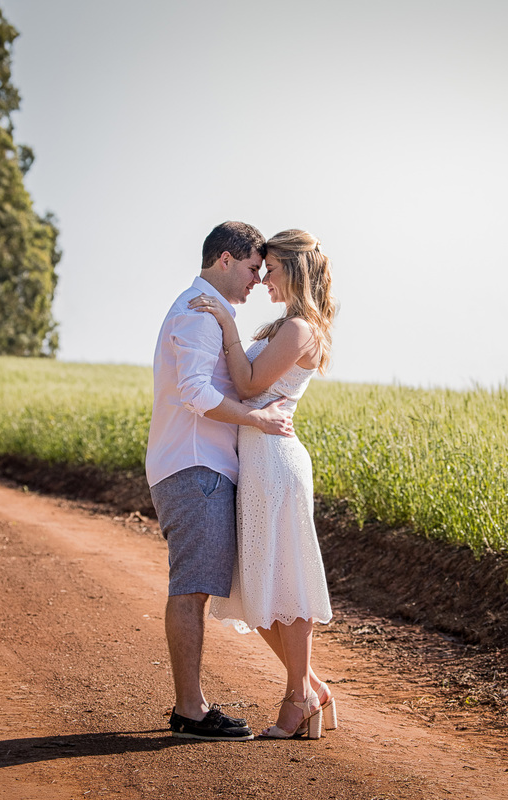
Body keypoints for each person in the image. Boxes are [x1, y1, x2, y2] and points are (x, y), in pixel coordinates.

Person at [145, 221, 295, 741]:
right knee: (191, 590)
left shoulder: (213, 312)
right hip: (194, 466)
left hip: (200, 465)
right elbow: (193, 391)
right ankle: (190, 709)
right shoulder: (198, 311)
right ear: (226, 260)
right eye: (255, 268)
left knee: (197, 588)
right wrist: (256, 421)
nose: (258, 279)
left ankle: (193, 705)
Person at [187, 228, 338, 740]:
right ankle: (311, 689)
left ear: (293, 268)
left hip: (275, 461)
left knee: (285, 585)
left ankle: (297, 699)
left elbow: (250, 384)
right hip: (257, 459)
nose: (262, 277)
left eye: (269, 269)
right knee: (261, 587)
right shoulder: (287, 325)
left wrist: (228, 328)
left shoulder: (299, 329)